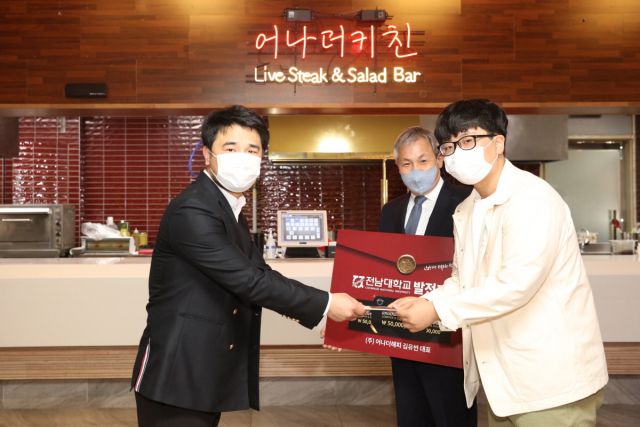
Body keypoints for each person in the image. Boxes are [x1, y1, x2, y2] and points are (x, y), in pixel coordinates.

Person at [131, 105, 366, 427]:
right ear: (207, 154)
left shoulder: (228, 208)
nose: (242, 157)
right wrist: (326, 304)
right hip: (177, 370)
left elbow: (260, 273)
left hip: (203, 367)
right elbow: (249, 281)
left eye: (252, 150)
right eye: (230, 148)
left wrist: (323, 311)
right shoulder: (194, 209)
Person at [390, 99, 608, 427]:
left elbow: (517, 285)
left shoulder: (532, 200)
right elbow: (462, 281)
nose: (457, 153)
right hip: (503, 385)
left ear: (498, 142)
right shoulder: (467, 209)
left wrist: (435, 310)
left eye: (468, 141)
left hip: (550, 383)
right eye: (449, 146)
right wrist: (424, 301)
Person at [378, 126, 475, 427]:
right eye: (407, 164)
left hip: (448, 336)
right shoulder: (390, 211)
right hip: (403, 336)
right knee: (411, 416)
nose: (415, 170)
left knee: (451, 417)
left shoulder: (468, 201)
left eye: (423, 161)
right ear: (397, 167)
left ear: (439, 160)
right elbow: (382, 272)